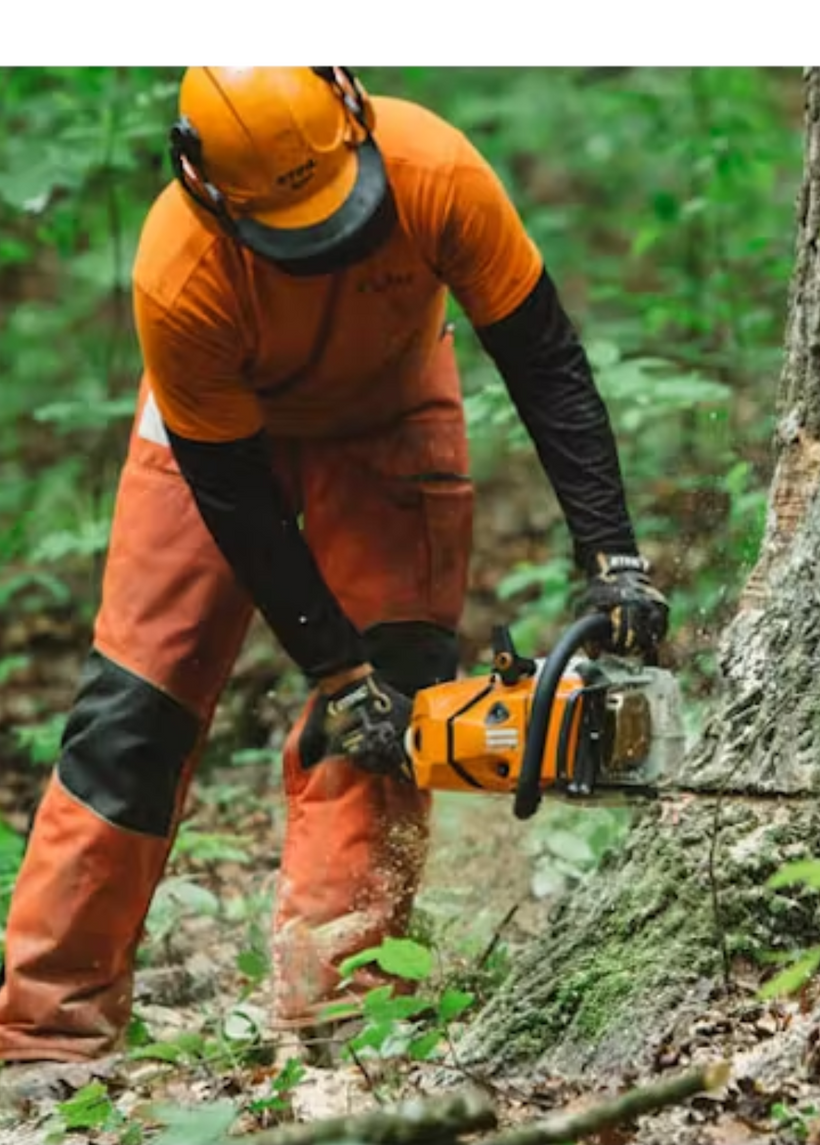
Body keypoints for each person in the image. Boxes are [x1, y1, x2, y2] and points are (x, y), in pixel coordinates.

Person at [0, 67, 669, 1071]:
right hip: (214, 440)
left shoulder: (435, 167)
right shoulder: (178, 269)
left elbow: (540, 358)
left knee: (391, 713)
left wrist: (611, 552)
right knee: (134, 714)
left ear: (351, 107)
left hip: (390, 410)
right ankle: (45, 1029)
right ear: (205, 185)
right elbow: (234, 497)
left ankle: (344, 1018)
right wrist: (329, 664)